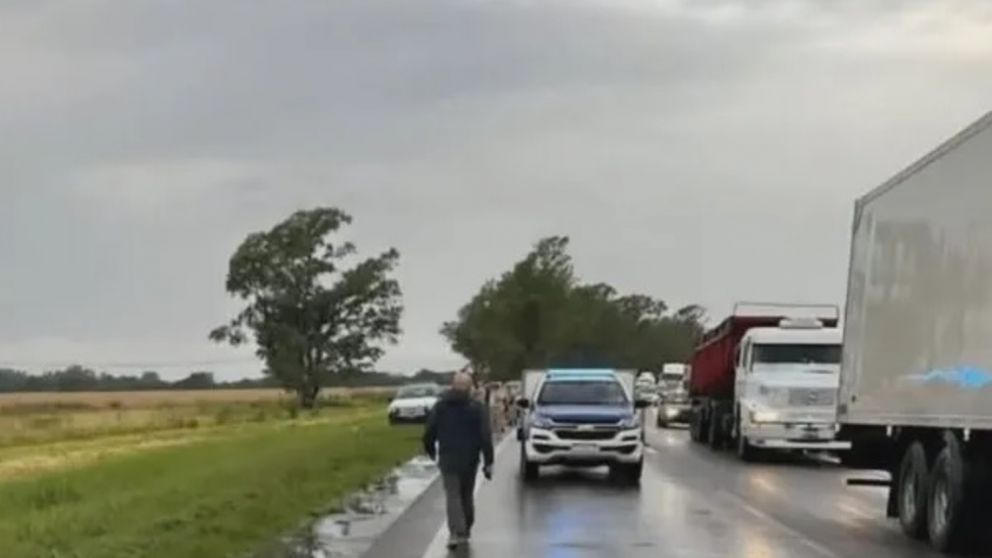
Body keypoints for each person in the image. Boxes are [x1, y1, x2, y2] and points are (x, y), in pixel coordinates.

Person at [423, 372, 495, 549]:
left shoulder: (440, 407)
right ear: (470, 387)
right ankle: (465, 529)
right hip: (470, 458)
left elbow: (429, 431)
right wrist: (488, 461)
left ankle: (456, 531)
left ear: (452, 386)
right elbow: (485, 436)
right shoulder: (477, 408)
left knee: (452, 495)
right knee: (466, 494)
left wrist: (431, 450)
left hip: (448, 457)